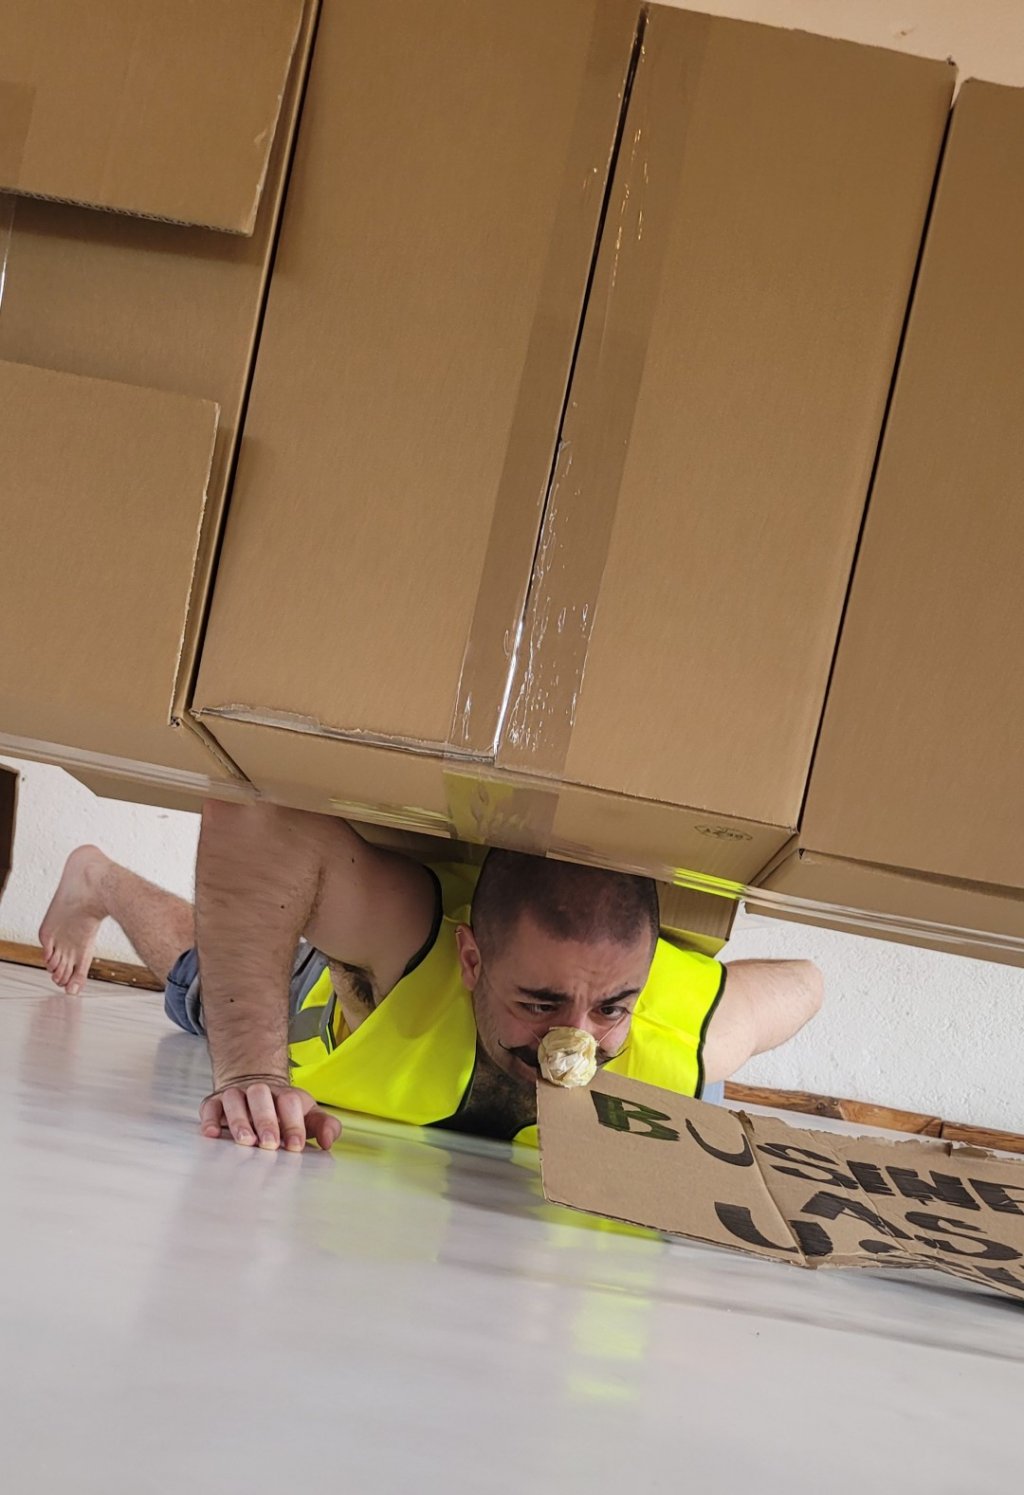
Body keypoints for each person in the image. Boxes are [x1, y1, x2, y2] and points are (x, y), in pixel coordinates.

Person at [39, 800, 824, 1152]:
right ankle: (97, 876)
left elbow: (805, 983)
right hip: (337, 996)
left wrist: (655, 1027)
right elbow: (254, 817)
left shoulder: (676, 1031)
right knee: (205, 981)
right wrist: (251, 1068)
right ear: (471, 958)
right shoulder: (407, 939)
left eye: (611, 1006)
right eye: (540, 1002)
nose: (575, 1040)